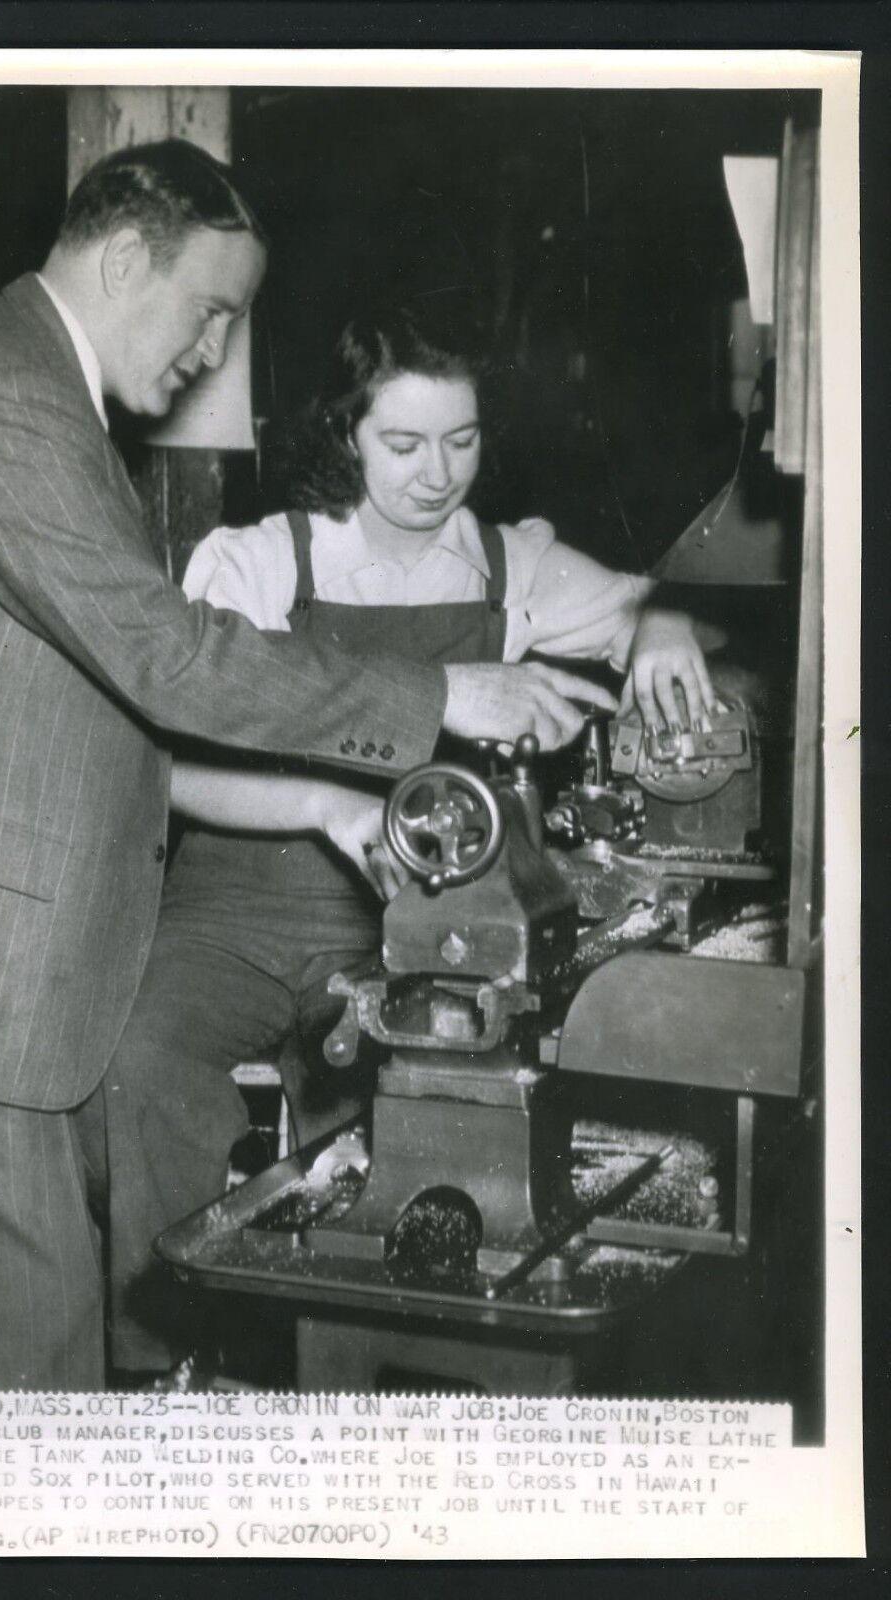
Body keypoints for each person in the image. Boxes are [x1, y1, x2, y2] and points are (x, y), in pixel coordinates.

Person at [0, 141, 616, 1392]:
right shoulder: (2, 396)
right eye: (212, 310)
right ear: (126, 258)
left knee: (38, 1367)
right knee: (14, 1389)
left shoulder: (29, 388)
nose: (215, 351)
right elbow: (165, 657)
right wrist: (443, 689)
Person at [105, 297, 719, 1377]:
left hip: (402, 916)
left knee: (399, 1102)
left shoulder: (501, 562)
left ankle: (340, 1362)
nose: (436, 473)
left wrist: (659, 618)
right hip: (234, 906)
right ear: (343, 435)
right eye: (401, 442)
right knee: (143, 1060)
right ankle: (175, 1363)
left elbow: (661, 606)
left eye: (460, 439)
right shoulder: (257, 563)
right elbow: (171, 763)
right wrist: (326, 805)